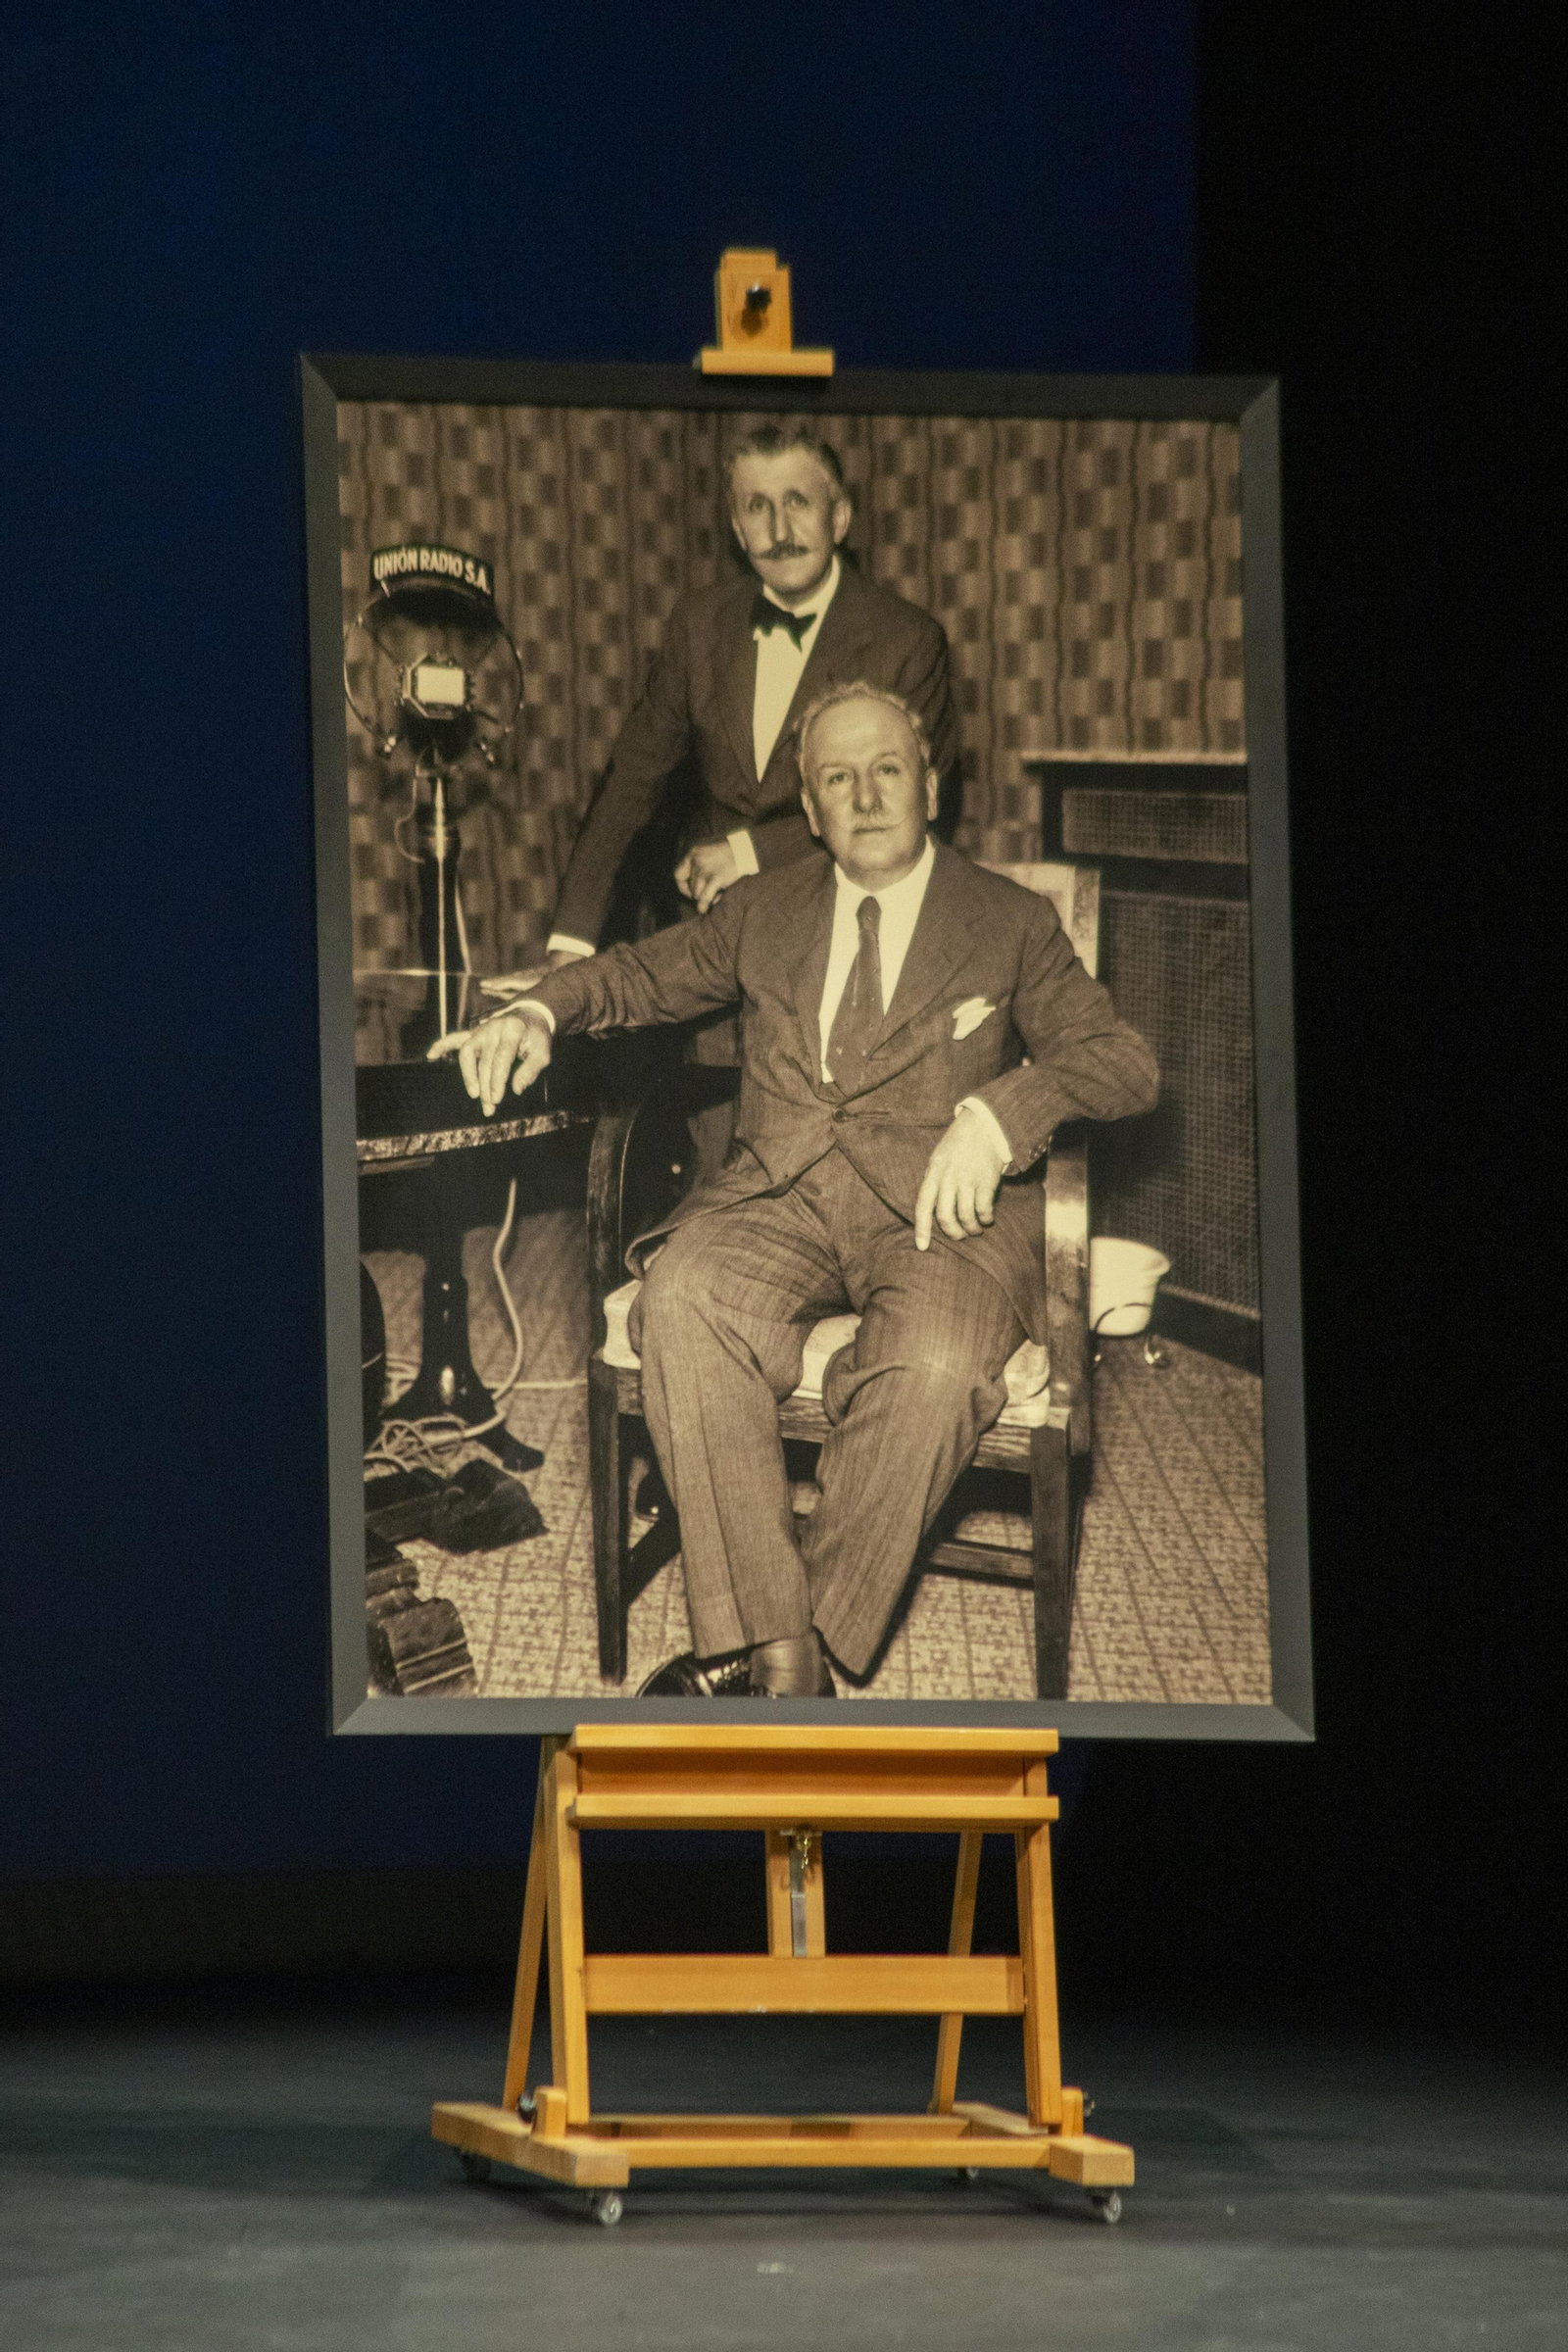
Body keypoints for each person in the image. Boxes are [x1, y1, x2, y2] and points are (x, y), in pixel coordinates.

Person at [435, 684, 1157, 1697]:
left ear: (931, 785)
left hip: (942, 1222)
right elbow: (639, 977)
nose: (866, 796)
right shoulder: (760, 911)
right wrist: (543, 1014)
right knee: (682, 1298)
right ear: (809, 812)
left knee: (939, 1364)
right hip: (777, 1196)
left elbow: (1123, 1062)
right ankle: (783, 1661)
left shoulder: (1009, 921)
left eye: (888, 769)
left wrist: (1001, 1117)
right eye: (836, 778)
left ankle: (777, 1656)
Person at [531, 423, 961, 1180]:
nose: (779, 527)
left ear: (841, 517)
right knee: (714, 1181)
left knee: (830, 1175)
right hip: (717, 960)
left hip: (845, 952)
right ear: (735, 527)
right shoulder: (699, 626)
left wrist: (749, 852)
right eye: (756, 507)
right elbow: (630, 783)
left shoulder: (906, 639)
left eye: (798, 501)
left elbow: (910, 811)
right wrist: (569, 944)